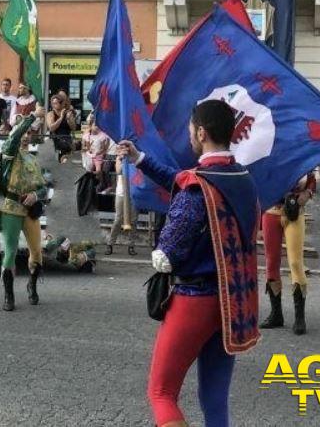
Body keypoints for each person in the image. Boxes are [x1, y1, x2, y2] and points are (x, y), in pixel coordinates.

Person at [119, 99, 260, 427]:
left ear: (201, 132)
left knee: (161, 393)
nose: (189, 137)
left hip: (193, 302)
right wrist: (140, 159)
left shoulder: (200, 185)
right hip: (231, 303)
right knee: (214, 400)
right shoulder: (242, 179)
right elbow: (182, 180)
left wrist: (158, 254)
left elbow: (167, 255)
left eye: (190, 132)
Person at [0, 112, 48, 311]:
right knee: (10, 252)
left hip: (30, 211)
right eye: (24, 132)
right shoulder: (9, 151)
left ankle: (32, 285)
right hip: (11, 207)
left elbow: (43, 187)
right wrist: (31, 117)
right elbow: (13, 139)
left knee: (36, 253)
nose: (26, 135)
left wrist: (36, 196)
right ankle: (8, 295)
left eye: (29, 132)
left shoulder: (33, 159)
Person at [260, 172, 317, 335]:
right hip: (270, 211)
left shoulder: (299, 148)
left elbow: (312, 176)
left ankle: (300, 318)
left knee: (295, 262)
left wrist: (307, 193)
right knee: (271, 262)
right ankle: (276, 314)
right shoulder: (267, 152)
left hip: (294, 211)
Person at [106, 154, 137, 256]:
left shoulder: (136, 158)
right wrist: (121, 158)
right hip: (121, 193)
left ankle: (131, 245)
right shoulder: (119, 158)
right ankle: (110, 244)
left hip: (134, 193)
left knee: (133, 220)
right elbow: (119, 171)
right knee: (118, 219)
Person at [46, 94, 76, 163]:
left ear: (62, 103)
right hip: (55, 140)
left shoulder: (68, 113)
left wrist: (69, 120)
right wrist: (61, 117)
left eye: (56, 103)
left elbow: (73, 128)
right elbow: (51, 128)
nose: (54, 105)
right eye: (53, 103)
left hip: (67, 139)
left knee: (67, 160)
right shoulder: (50, 114)